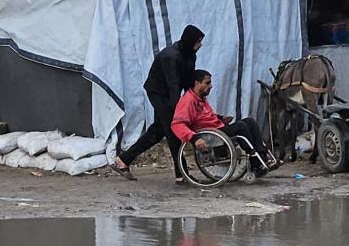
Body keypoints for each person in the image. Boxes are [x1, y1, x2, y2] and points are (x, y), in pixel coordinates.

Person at [113, 24, 205, 182]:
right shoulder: (171, 56)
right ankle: (181, 173)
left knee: (158, 131)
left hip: (170, 93)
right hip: (159, 92)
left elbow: (189, 79)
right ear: (190, 41)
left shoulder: (190, 54)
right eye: (198, 42)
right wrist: (178, 109)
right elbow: (173, 84)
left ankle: (123, 160)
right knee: (172, 130)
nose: (200, 45)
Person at [172, 70, 274, 177]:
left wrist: (221, 118)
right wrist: (194, 138)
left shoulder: (200, 98)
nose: (211, 86)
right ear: (197, 83)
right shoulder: (188, 101)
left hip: (217, 128)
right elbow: (177, 124)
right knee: (241, 127)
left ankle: (262, 156)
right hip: (210, 135)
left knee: (250, 121)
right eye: (207, 83)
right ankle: (256, 163)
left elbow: (204, 116)